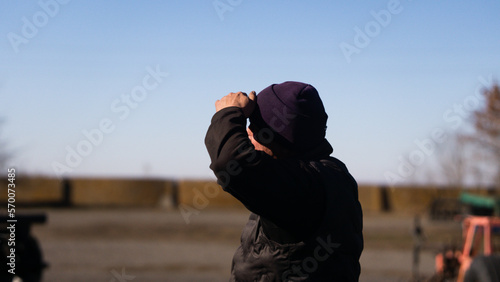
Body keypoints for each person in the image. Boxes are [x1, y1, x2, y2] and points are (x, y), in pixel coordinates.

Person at [205, 81, 363, 281]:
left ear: (278, 138)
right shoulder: (332, 174)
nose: (247, 136)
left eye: (253, 130)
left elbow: (230, 164)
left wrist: (228, 114)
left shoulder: (302, 186)